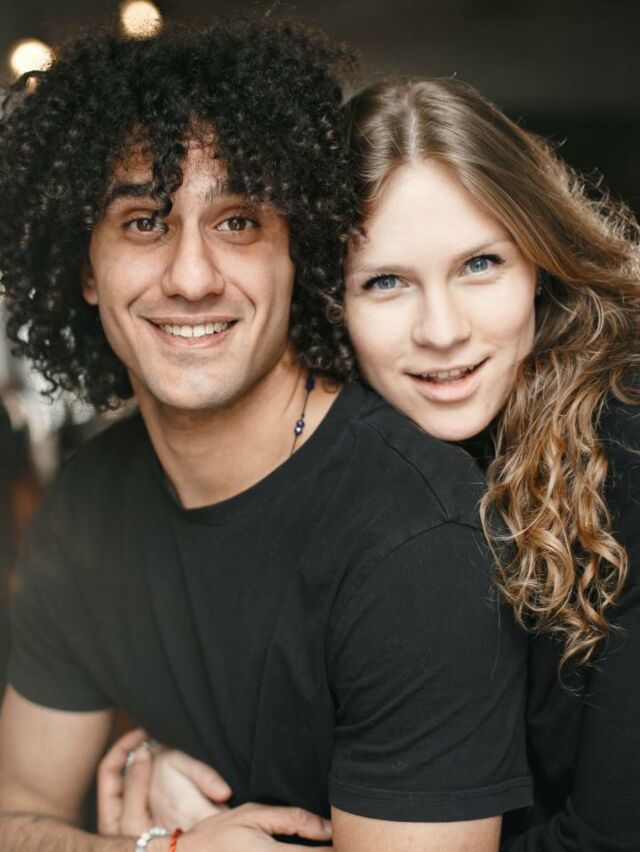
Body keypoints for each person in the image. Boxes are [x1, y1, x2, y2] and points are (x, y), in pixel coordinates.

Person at [0, 23, 531, 852]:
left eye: (239, 221)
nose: (191, 277)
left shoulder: (415, 540)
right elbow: (14, 817)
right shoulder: (86, 503)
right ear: (85, 268)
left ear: (299, 255)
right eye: (143, 222)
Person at [106, 78, 640, 850]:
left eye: (480, 264)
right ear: (325, 301)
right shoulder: (350, 470)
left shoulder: (627, 445)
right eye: (385, 282)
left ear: (540, 263)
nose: (442, 330)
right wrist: (158, 754)